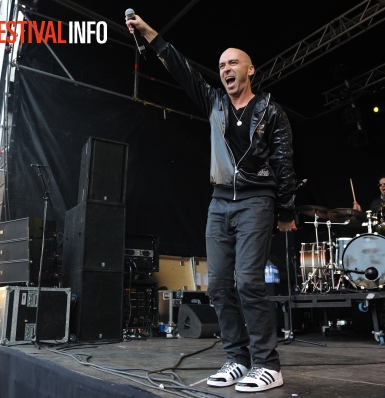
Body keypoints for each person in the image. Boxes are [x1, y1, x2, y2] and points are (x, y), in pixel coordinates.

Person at [126, 15, 297, 393]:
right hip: (220, 203)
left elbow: (284, 163)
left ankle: (268, 364)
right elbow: (179, 65)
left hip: (256, 201)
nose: (225, 69)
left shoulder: (271, 112)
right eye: (221, 66)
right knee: (218, 285)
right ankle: (237, 359)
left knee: (249, 282)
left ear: (250, 69)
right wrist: (148, 32)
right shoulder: (214, 102)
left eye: (232, 62)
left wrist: (286, 210)